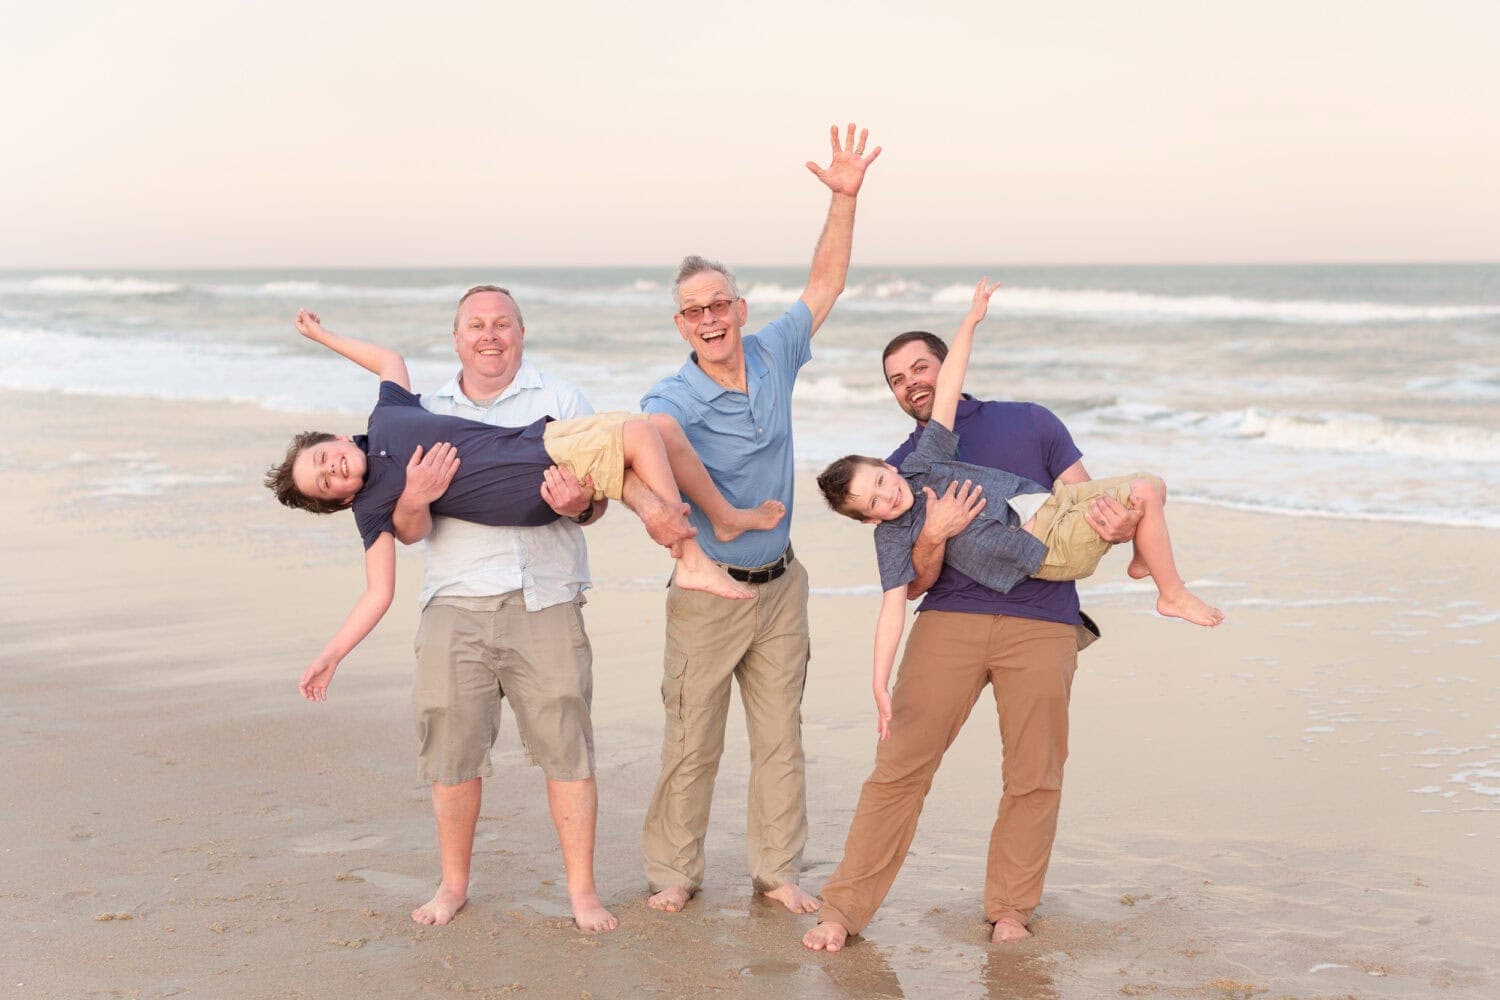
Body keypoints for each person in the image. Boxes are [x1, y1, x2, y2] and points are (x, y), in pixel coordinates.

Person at [802, 288, 1145, 952]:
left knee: (1035, 772)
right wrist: (934, 531)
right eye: (897, 381)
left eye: (920, 369)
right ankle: (842, 911)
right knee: (899, 766)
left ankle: (1011, 909)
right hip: (950, 619)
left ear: (944, 365)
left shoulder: (1031, 422)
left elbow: (1085, 508)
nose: (911, 385)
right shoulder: (900, 471)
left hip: (1043, 619)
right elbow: (910, 585)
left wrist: (1124, 526)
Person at [638, 124, 881, 915]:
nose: (708, 318)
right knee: (692, 740)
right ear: (680, 326)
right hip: (709, 593)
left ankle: (777, 871)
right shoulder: (669, 399)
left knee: (781, 740)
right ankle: (674, 873)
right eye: (692, 311)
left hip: (782, 586)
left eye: (718, 303)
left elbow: (825, 282)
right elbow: (640, 459)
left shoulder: (775, 350)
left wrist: (844, 199)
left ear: (738, 308)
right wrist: (695, 520)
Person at [815, 281, 1222, 735]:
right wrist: (878, 682)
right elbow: (895, 606)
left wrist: (970, 321)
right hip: (1038, 548)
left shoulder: (923, 461)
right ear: (870, 517)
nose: (887, 495)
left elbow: (949, 389)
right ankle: (1171, 593)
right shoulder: (892, 532)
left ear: (883, 466)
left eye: (880, 481)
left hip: (1052, 507)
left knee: (1150, 488)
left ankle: (1149, 567)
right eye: (874, 502)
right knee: (1145, 491)